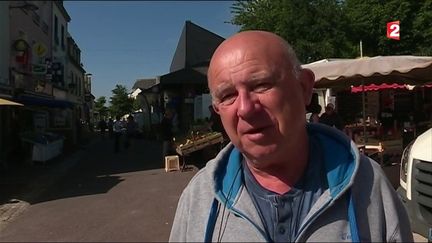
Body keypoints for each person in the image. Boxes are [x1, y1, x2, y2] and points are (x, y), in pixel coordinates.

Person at [169, 31, 412, 242]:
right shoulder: (200, 197)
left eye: (261, 84)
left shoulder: (367, 184)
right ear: (217, 110)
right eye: (227, 95)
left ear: (304, 88)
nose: (245, 108)